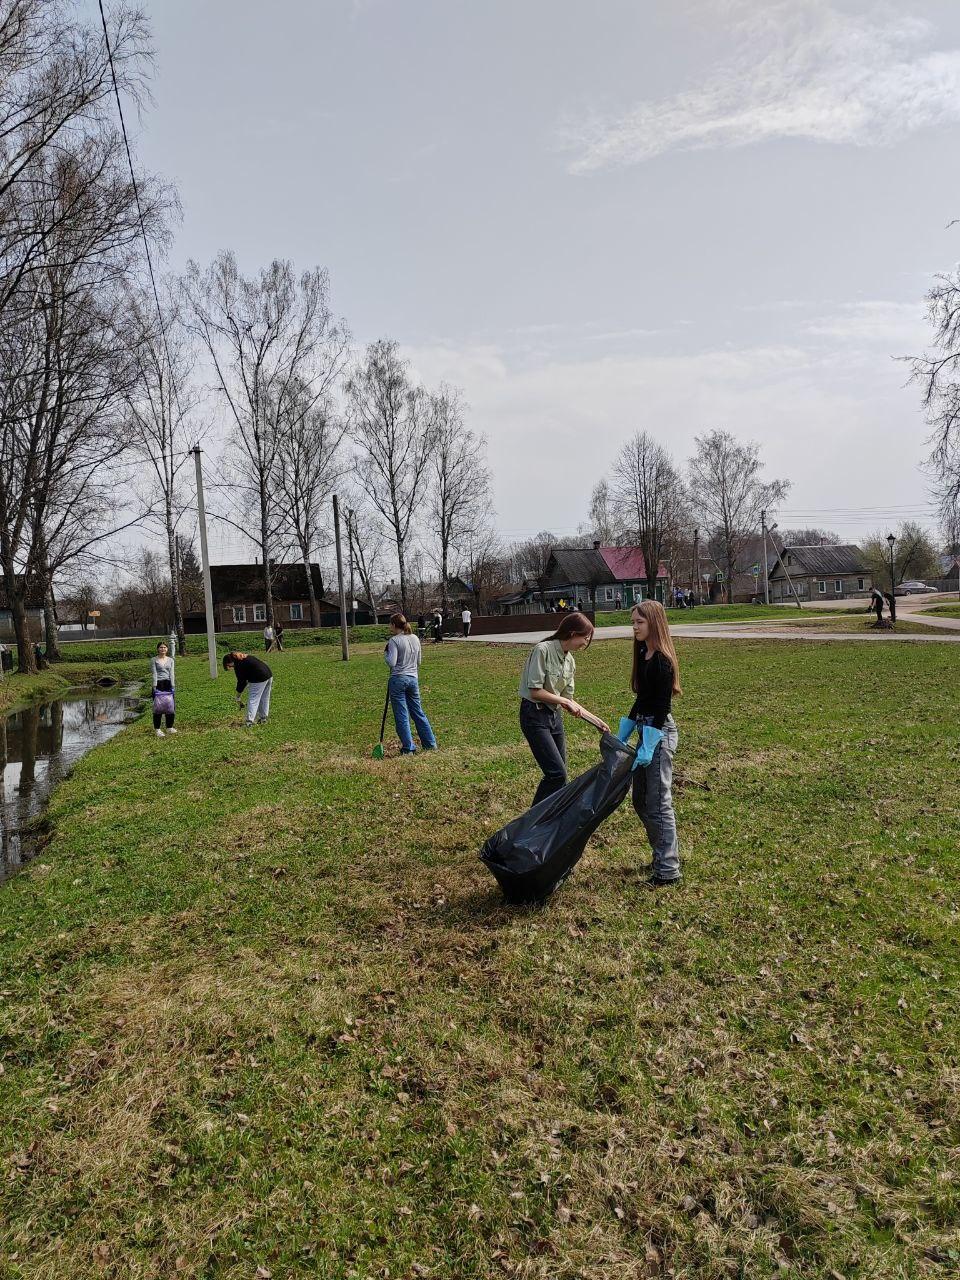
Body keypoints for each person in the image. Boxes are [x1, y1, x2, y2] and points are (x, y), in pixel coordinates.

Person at [519, 613, 609, 807]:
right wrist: (563, 702)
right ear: (573, 633)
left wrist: (596, 721)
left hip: (553, 716)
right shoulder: (542, 650)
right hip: (533, 715)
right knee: (556, 774)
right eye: (585, 638)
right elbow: (535, 691)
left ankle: (549, 820)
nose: (585, 643)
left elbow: (569, 700)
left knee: (561, 776)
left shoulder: (570, 661)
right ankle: (531, 823)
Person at [628, 600, 682, 886]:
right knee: (640, 800)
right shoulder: (643, 652)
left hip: (659, 733)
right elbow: (643, 699)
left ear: (654, 624)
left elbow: (661, 707)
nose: (635, 627)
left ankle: (667, 869)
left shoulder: (662, 661)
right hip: (645, 730)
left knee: (659, 802)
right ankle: (665, 851)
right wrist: (626, 729)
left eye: (640, 622)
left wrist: (650, 744)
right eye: (633, 622)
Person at [384, 613, 437, 754]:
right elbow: (419, 661)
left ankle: (408, 748)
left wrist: (386, 653)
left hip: (398, 679)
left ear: (394, 625)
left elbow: (392, 662)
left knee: (402, 714)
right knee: (417, 712)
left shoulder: (394, 641)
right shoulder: (415, 638)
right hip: (413, 679)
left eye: (390, 624)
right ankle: (430, 743)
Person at [223, 650, 273, 726]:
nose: (231, 667)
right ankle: (263, 719)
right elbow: (245, 680)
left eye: (230, 666)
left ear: (231, 661)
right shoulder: (243, 657)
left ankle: (249, 722)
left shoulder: (238, 665)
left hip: (259, 677)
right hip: (268, 674)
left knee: (253, 699)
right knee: (264, 698)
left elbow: (241, 682)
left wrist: (238, 696)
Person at [151, 640, 177, 737]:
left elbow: (172, 673)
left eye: (164, 647)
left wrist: (173, 686)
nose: (163, 649)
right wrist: (154, 687)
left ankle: (169, 727)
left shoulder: (171, 660)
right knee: (158, 707)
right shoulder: (154, 660)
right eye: (161, 647)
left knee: (170, 706)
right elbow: (154, 673)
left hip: (168, 684)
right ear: (158, 649)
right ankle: (157, 730)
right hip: (158, 684)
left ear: (167, 649)